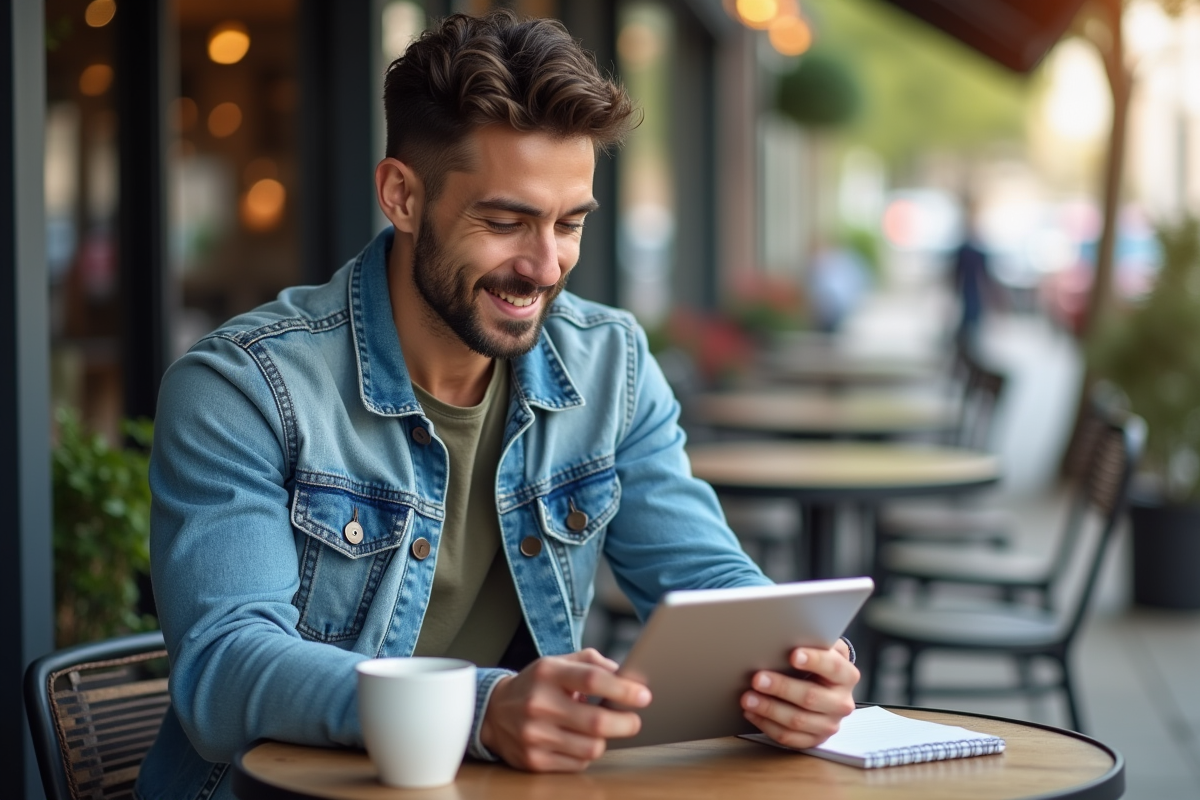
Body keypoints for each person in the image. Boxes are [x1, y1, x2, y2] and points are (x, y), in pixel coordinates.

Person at [136, 11, 858, 799]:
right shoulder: (243, 386)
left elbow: (701, 573)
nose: (544, 267)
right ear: (402, 196)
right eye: (505, 222)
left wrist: (800, 664)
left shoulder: (609, 363)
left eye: (570, 224)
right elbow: (225, 667)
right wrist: (480, 709)